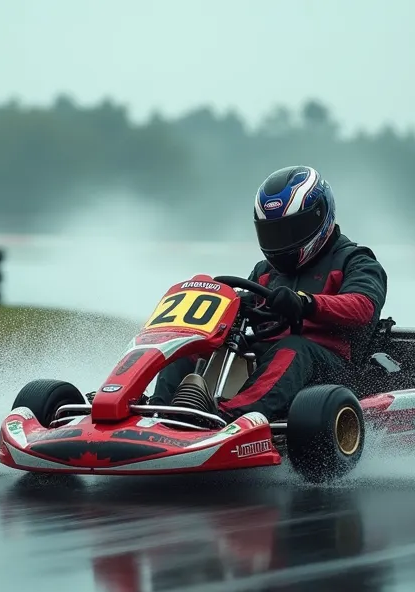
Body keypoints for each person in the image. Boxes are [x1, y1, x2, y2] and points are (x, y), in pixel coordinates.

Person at [149, 165, 388, 421]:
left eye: (291, 230)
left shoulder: (355, 261)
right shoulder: (265, 271)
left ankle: (227, 418)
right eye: (273, 232)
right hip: (271, 358)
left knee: (294, 349)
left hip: (330, 369)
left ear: (320, 216)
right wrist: (237, 307)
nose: (282, 240)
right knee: (193, 344)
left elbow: (363, 307)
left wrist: (306, 303)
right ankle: (157, 410)